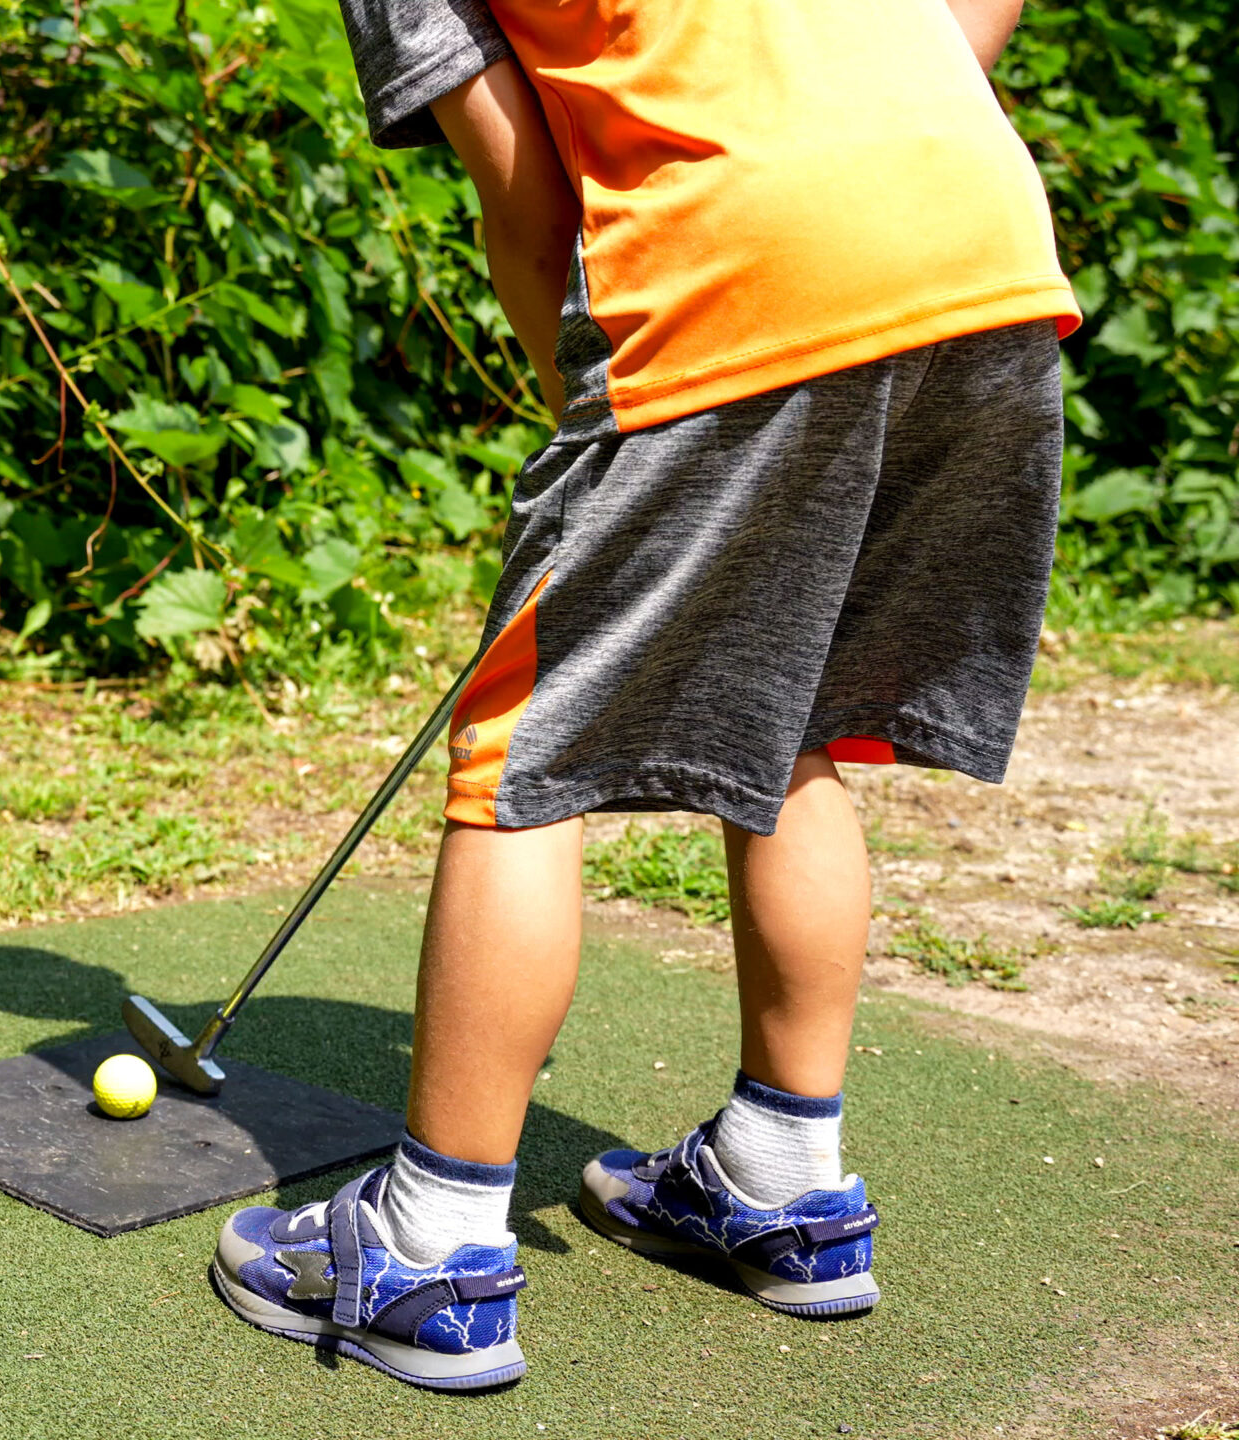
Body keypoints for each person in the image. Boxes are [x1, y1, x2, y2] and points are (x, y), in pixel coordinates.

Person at [207, 0, 1079, 1391]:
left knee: (524, 748)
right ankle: (783, 1177)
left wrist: (595, 430)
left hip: (745, 259)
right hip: (978, 240)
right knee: (796, 707)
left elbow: (529, 204)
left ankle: (431, 1248)